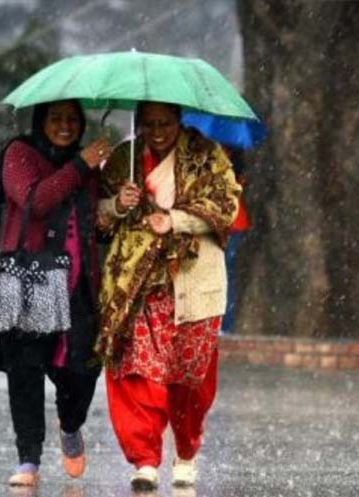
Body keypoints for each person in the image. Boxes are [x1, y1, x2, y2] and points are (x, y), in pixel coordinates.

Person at [95, 101, 240, 490]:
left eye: (165, 124)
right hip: (136, 283)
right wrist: (117, 204)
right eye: (149, 124)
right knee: (136, 369)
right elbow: (97, 215)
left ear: (179, 120)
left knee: (190, 378)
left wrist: (175, 219)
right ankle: (144, 459)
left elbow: (226, 206)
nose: (157, 132)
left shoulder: (207, 155)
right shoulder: (124, 159)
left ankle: (186, 451)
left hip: (194, 281)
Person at [0, 99, 111, 487]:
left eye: (72, 119)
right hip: (28, 273)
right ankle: (28, 458)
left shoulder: (87, 165)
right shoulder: (20, 153)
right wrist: (81, 165)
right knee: (26, 370)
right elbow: (35, 201)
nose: (65, 126)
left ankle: (70, 424)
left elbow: (99, 227)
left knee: (82, 370)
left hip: (78, 282)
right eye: (56, 118)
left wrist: (116, 207)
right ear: (41, 121)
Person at [221, 147, 251, 334]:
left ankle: (224, 324)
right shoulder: (234, 156)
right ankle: (224, 324)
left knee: (225, 275)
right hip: (232, 224)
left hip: (229, 225)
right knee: (226, 276)